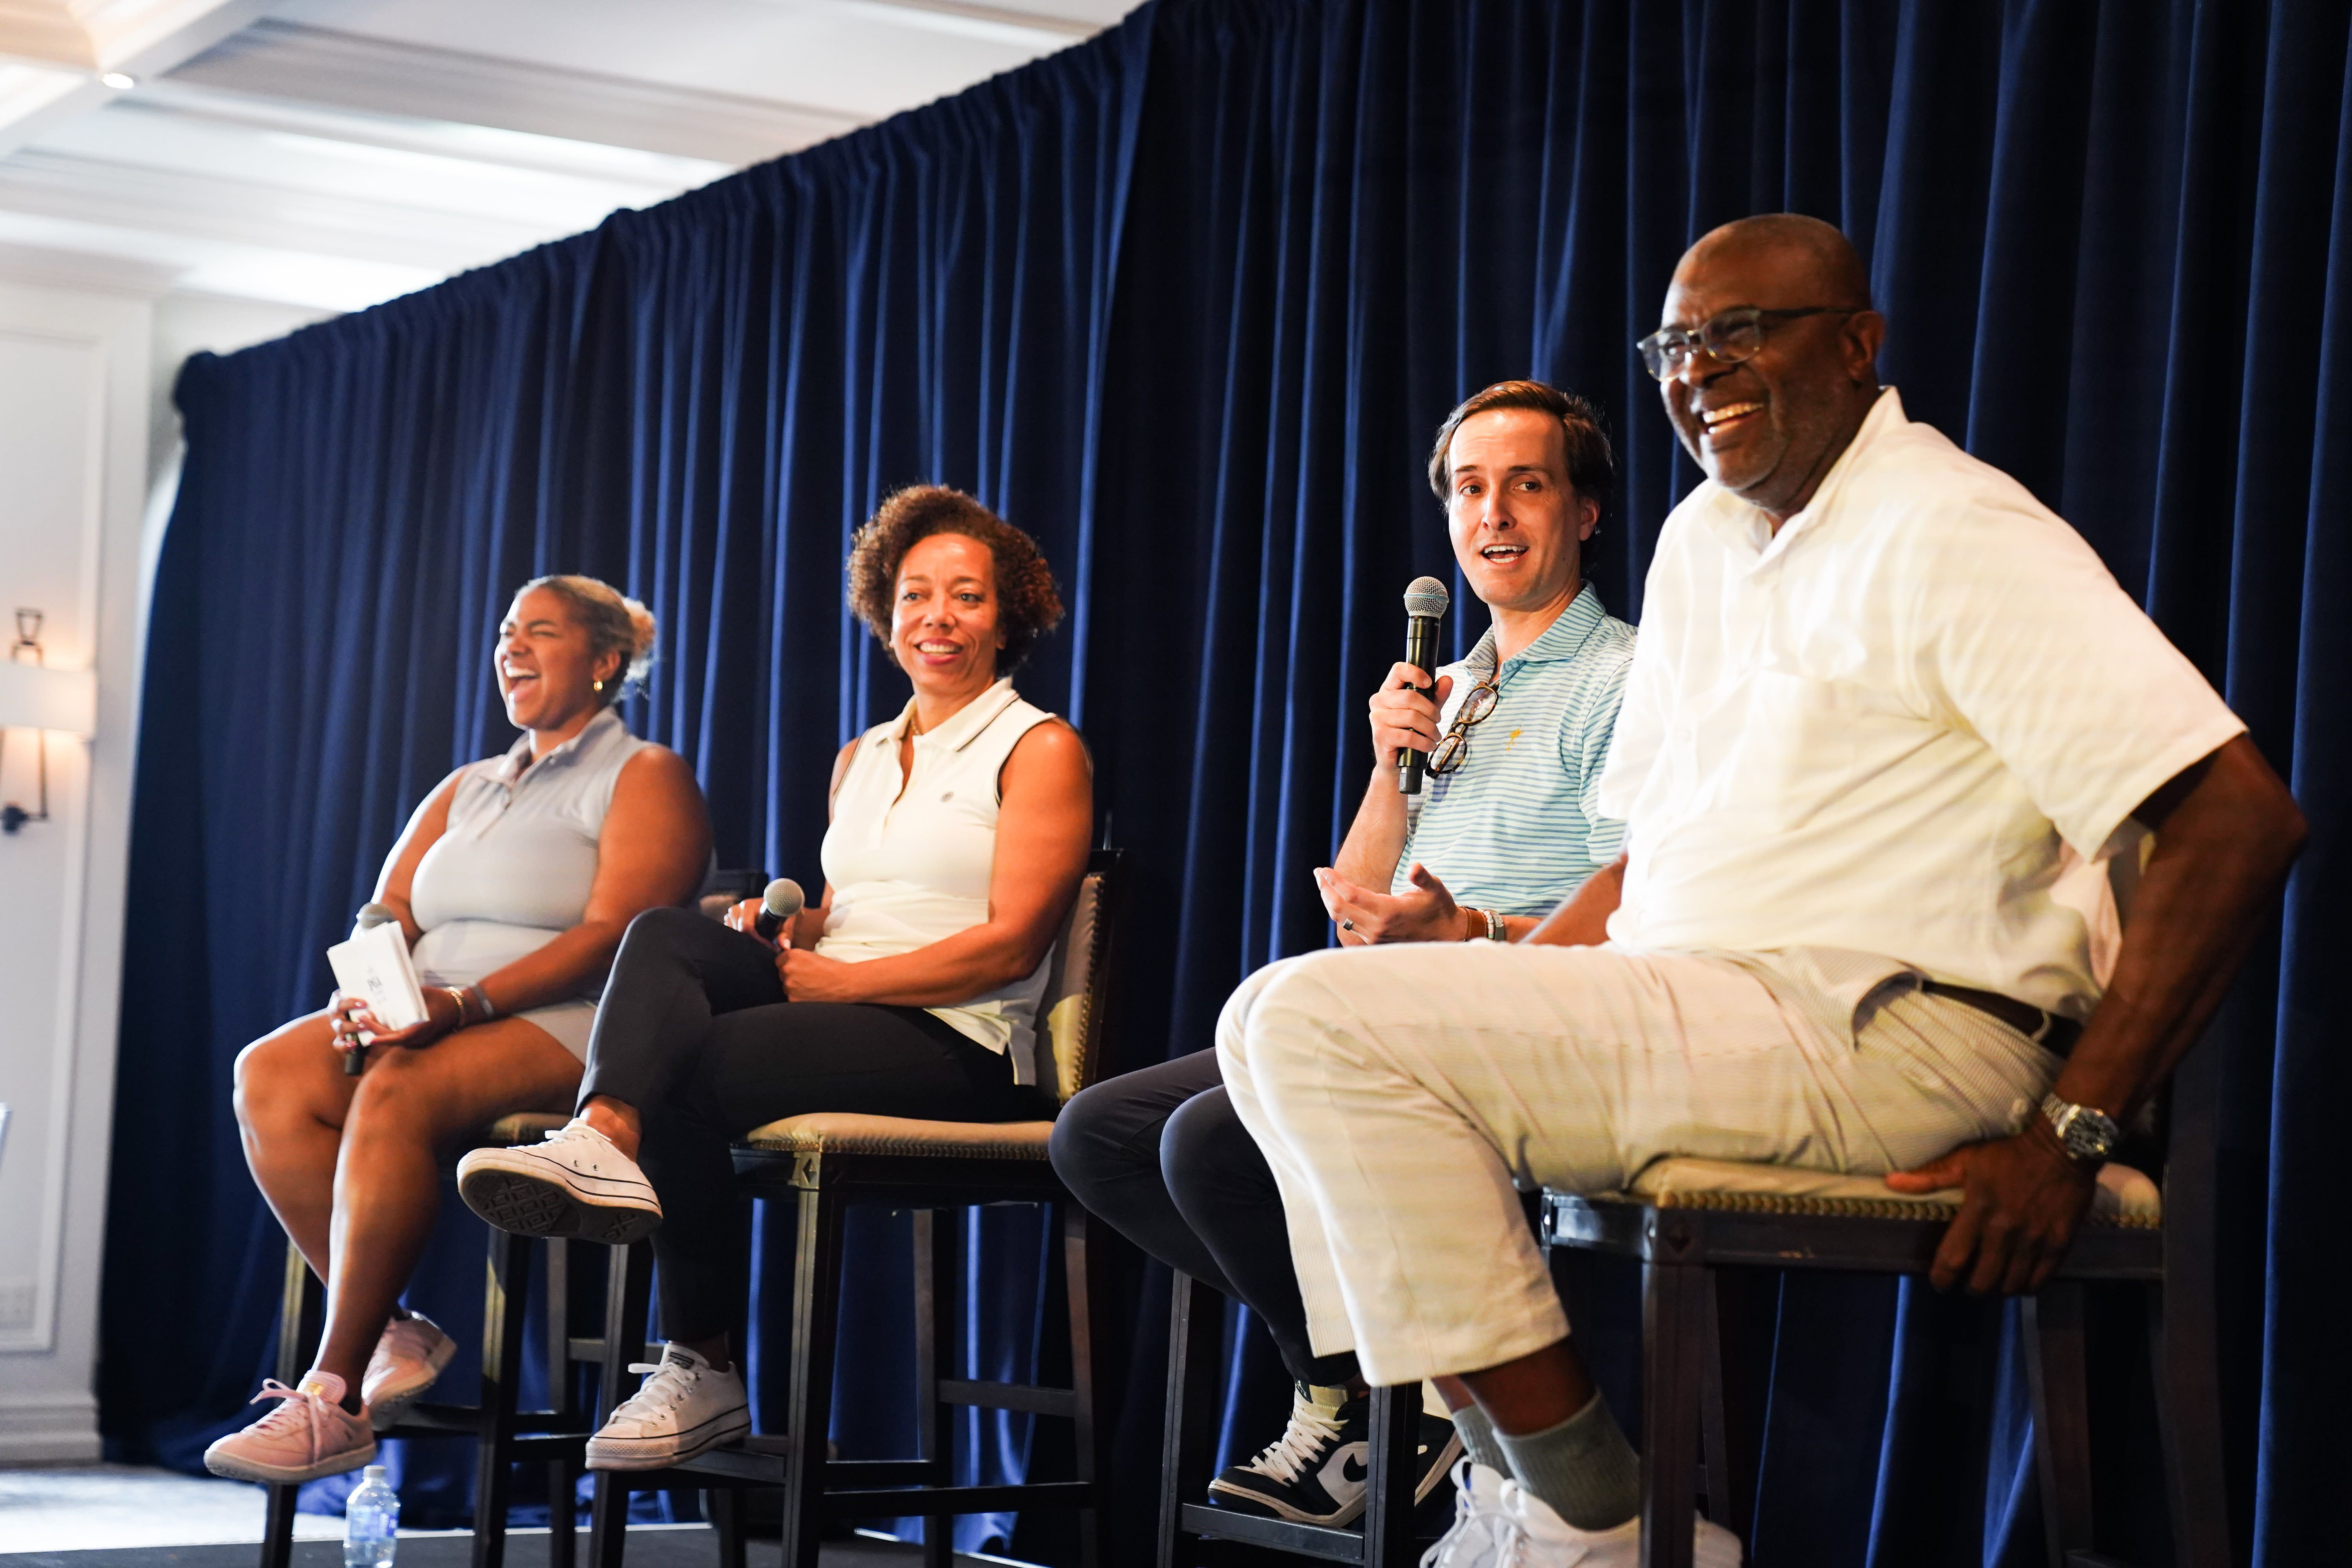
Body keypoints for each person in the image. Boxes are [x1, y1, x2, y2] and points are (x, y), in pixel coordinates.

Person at [1214, 213, 2307, 1568]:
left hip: (1896, 1029)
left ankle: (1597, 1526)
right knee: (1271, 1028)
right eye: (1678, 342)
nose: (1701, 369)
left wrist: (2074, 1131)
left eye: (1744, 332)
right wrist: (1504, 977)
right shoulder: (1700, 543)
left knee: (1317, 1023)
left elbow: (2240, 821)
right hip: (1703, 1000)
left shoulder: (1950, 525)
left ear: (1857, 347)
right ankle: (1528, 1493)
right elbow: (1645, 860)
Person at [1050, 382, 1635, 1528]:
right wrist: (1385, 763)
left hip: (1523, 1022)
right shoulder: (1448, 687)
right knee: (1104, 1137)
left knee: (1211, 1142)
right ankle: (1374, 1392)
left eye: (1527, 484)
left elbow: (1633, 891)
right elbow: (1357, 907)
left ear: (1586, 511)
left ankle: (1389, 1409)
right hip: (1387, 1018)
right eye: (1470, 489)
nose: (1494, 514)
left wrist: (1479, 935)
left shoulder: (1624, 675)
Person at [457, 485, 1094, 1470]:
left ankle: (698, 1363)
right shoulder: (863, 756)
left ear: (1007, 615)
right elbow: (855, 905)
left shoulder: (1038, 746)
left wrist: (848, 982)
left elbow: (1011, 947)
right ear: (885, 613)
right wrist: (797, 927)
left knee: (690, 1061)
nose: (937, 616)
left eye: (965, 596)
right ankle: (603, 1137)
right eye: (916, 594)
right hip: (843, 1006)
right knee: (670, 931)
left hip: (959, 1038)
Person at [207, 576, 713, 1485]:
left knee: (399, 1090)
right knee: (269, 1074)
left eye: (542, 633)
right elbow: (388, 903)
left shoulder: (645, 773)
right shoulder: (467, 785)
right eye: (507, 631)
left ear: (604, 662)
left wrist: (464, 1005)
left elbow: (620, 936)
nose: (511, 647)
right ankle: (393, 1329)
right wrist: (375, 987)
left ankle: (335, 1397)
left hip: (568, 1028)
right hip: (431, 1017)